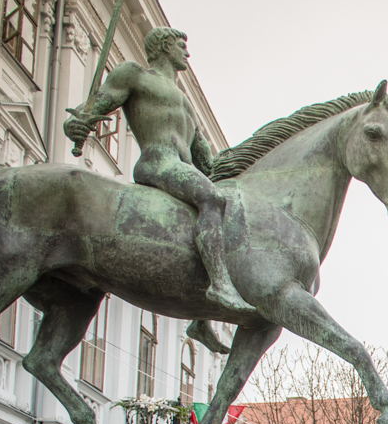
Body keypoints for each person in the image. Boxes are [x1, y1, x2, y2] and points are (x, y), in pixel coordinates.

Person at [61, 27, 254, 313]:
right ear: (163, 47)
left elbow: (208, 162)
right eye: (180, 45)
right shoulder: (135, 75)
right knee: (212, 199)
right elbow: (96, 105)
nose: (187, 52)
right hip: (158, 162)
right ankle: (220, 285)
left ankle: (201, 319)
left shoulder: (186, 103)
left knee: (229, 211)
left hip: (183, 168)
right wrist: (75, 124)